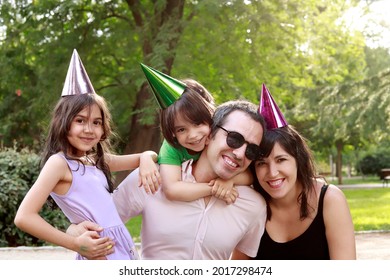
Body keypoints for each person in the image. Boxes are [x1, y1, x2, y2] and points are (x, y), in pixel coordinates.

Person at [71, 99, 267, 260]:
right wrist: (74, 230)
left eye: (252, 150)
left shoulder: (253, 205)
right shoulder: (151, 179)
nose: (240, 154)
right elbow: (94, 226)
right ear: (211, 133)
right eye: (234, 138)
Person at [14, 50, 159, 260]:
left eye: (96, 122)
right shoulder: (59, 164)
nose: (89, 129)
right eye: (80, 120)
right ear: (63, 123)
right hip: (99, 252)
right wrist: (75, 244)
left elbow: (149, 155)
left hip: (123, 248)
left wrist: (146, 159)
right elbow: (24, 217)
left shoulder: (96, 161)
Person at [250, 84, 356, 260]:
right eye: (262, 163)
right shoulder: (252, 205)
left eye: (281, 160)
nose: (272, 172)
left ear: (298, 160)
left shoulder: (330, 200)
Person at [140, 64, 252, 203]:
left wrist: (229, 180)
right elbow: (172, 190)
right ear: (172, 133)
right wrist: (214, 188)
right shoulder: (172, 148)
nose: (193, 135)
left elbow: (250, 175)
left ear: (210, 117)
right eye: (181, 129)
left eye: (197, 123)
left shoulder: (219, 137)